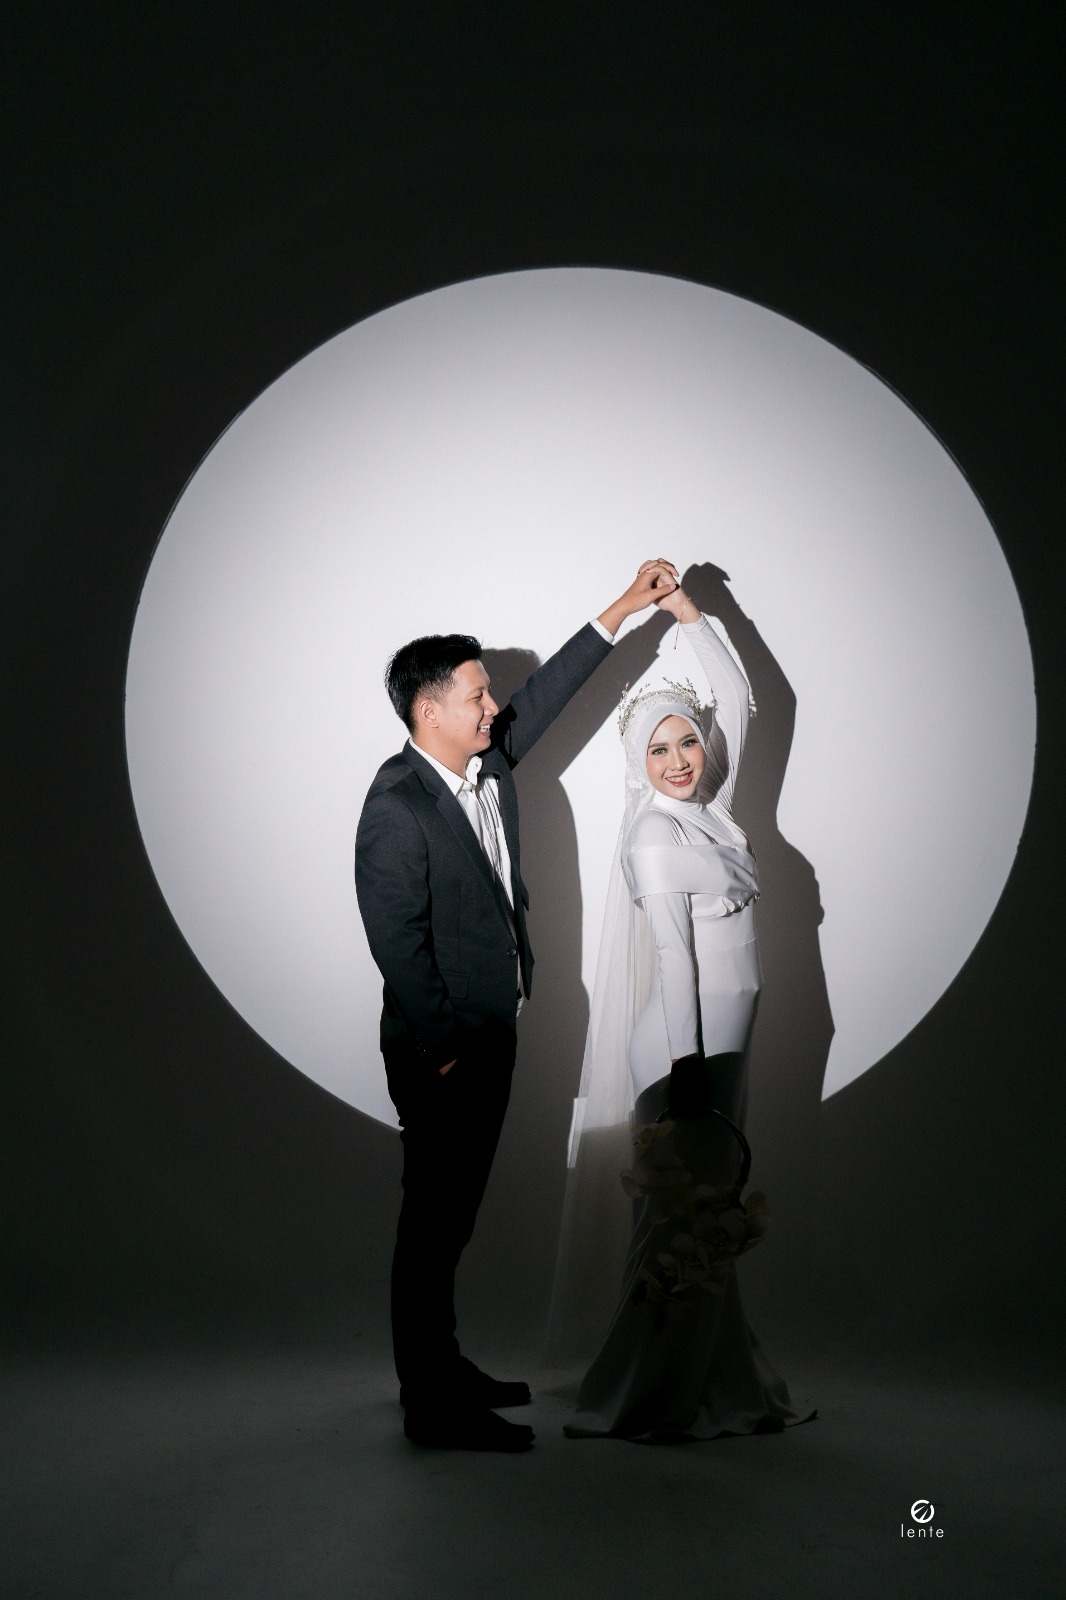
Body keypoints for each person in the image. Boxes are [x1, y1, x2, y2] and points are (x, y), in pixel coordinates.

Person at [354, 559, 679, 1453]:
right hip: (442, 1050)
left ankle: (441, 1367)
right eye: (476, 695)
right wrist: (444, 1048)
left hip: (491, 1034)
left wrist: (626, 607)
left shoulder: (487, 765)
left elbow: (548, 695)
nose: (492, 707)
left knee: (451, 1221)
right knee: (431, 1227)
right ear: (429, 711)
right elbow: (395, 942)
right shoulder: (396, 806)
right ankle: (430, 1407)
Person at [558, 570, 812, 1443]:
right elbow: (675, 962)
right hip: (683, 1050)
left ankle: (714, 1379)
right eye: (659, 751)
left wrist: (687, 613)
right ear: (639, 764)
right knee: (680, 1229)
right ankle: (653, 1395)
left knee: (706, 1222)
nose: (678, 760)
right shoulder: (656, 832)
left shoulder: (714, 812)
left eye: (687, 743)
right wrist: (690, 1072)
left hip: (721, 1047)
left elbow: (738, 697)